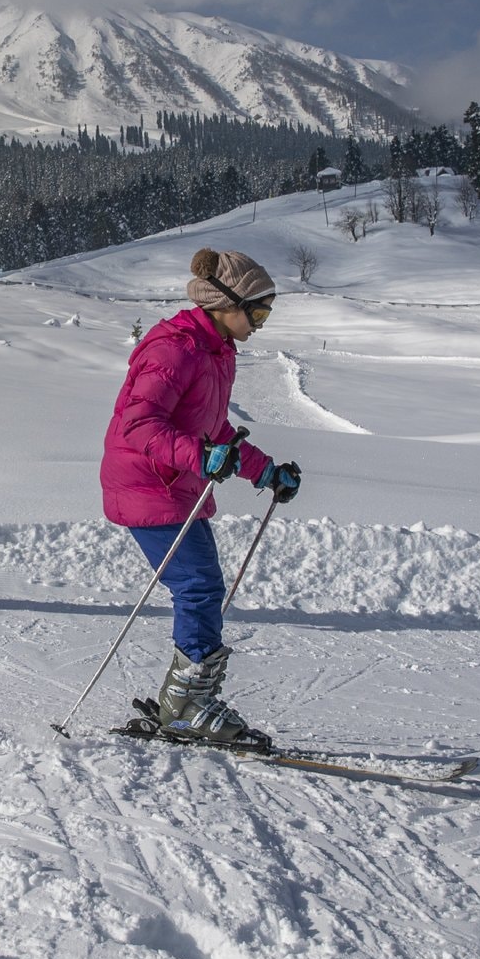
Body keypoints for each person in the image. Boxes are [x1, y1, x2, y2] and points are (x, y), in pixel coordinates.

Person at [100, 248, 303, 743]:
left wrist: (265, 472)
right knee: (200, 588)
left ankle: (184, 699)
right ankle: (188, 706)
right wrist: (202, 456)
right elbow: (139, 425)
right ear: (224, 303)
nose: (260, 322)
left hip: (176, 486)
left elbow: (214, 430)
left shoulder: (214, 350)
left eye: (266, 313)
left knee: (202, 588)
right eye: (256, 311)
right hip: (148, 485)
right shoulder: (176, 349)